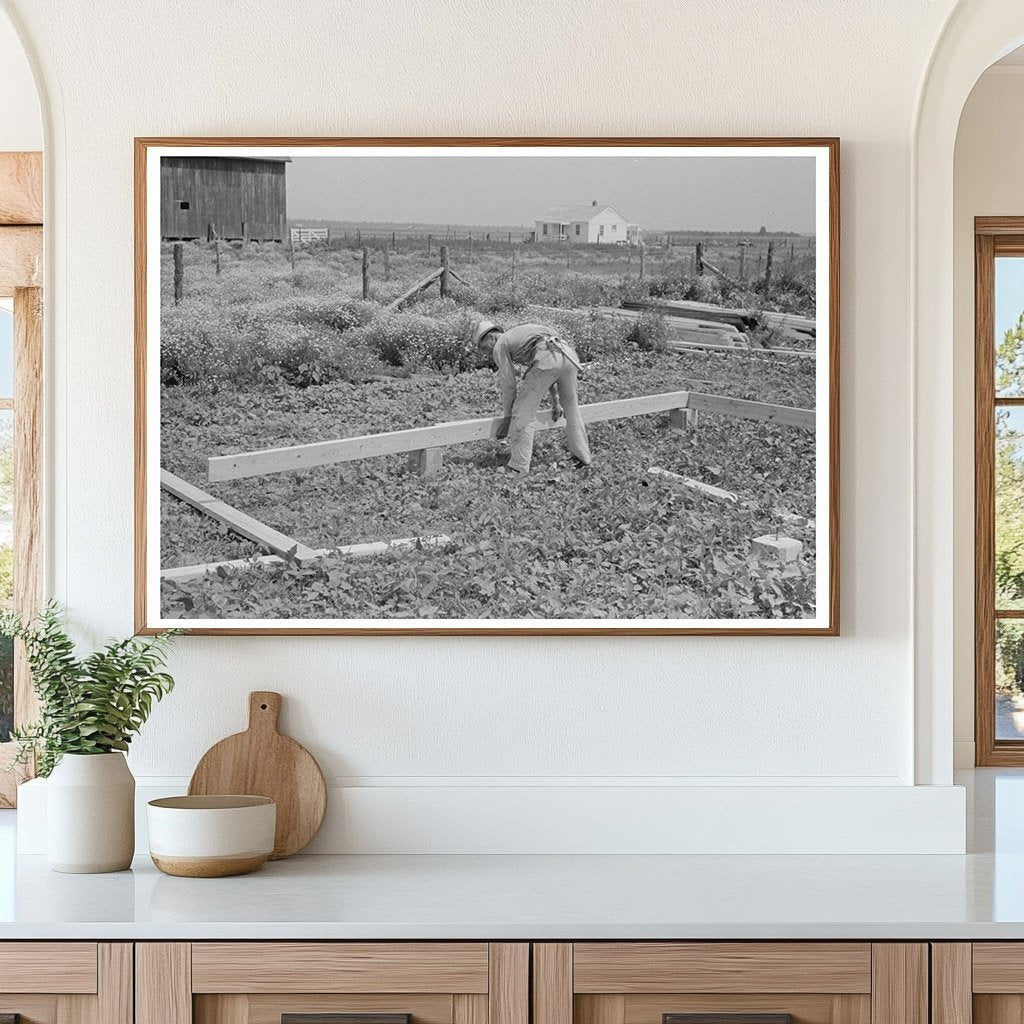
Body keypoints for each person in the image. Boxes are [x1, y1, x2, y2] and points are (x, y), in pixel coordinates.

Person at [471, 319, 592, 476]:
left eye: (483, 347)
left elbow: (508, 383)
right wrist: (556, 401)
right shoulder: (517, 335)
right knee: (572, 407)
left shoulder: (500, 344)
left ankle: (518, 467)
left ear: (489, 337)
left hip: (549, 354)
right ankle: (582, 456)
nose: (485, 352)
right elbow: (550, 366)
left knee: (522, 412)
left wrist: (508, 418)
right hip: (566, 354)